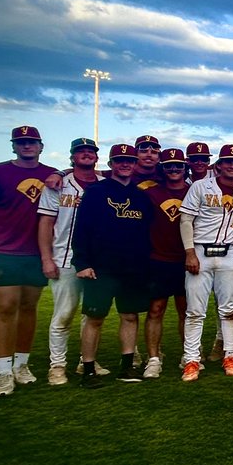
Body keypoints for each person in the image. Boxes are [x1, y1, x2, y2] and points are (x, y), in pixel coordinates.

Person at [0, 125, 56, 397]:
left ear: (41, 146)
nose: (27, 146)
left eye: (32, 142)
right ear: (13, 145)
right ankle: (3, 371)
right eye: (21, 142)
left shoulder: (51, 175)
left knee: (29, 307)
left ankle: (21, 364)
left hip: (37, 253)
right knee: (6, 308)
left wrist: (62, 173)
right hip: (4, 251)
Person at [71, 143, 154, 384]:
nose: (125, 164)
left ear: (135, 164)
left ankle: (127, 366)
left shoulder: (140, 197)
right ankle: (88, 368)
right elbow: (82, 229)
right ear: (110, 164)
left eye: (129, 160)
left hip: (133, 268)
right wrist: (82, 263)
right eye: (119, 160)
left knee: (129, 316)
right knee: (95, 318)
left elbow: (147, 233)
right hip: (101, 267)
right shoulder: (97, 191)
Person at [178, 144, 233, 382]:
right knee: (195, 310)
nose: (232, 166)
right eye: (227, 161)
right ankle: (192, 359)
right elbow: (186, 220)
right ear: (218, 165)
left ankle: (228, 354)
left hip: (230, 253)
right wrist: (189, 253)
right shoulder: (201, 186)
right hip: (201, 251)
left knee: (230, 309)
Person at [37, 137, 100, 385]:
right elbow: (45, 223)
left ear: (97, 156)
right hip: (65, 258)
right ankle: (57, 365)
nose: (86, 154)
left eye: (90, 151)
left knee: (92, 316)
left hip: (96, 260)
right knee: (63, 315)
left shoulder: (104, 183)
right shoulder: (58, 184)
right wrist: (46, 258)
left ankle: (87, 362)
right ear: (72, 156)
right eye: (80, 151)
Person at [142, 147, 191, 378]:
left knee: (186, 310)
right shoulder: (151, 193)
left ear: (185, 168)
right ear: (162, 168)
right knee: (156, 309)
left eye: (178, 165)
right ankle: (153, 358)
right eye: (169, 165)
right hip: (158, 258)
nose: (173, 169)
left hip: (186, 260)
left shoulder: (194, 192)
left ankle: (187, 355)